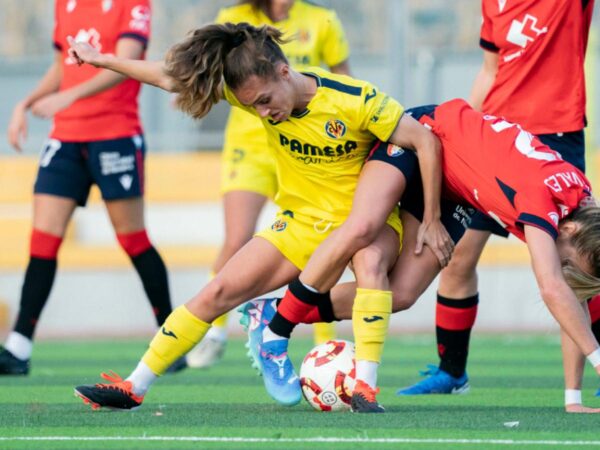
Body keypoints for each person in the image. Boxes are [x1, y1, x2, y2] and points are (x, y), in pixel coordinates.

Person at [67, 22, 451, 411]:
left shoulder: (355, 99)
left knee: (371, 266)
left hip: (364, 221)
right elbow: (170, 78)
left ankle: (365, 389)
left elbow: (424, 140)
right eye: (253, 106)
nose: (263, 112)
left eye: (266, 100)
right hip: (301, 221)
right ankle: (134, 386)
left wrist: (433, 218)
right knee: (217, 293)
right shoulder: (251, 93)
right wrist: (103, 60)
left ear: (285, 71)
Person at [246, 99, 600, 413]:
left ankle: (271, 310)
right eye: (567, 260)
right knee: (364, 234)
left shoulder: (582, 204)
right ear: (570, 231)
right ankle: (283, 327)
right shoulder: (542, 197)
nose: (563, 266)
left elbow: (571, 295)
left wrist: (573, 398)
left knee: (399, 295)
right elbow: (552, 288)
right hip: (423, 139)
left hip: (456, 189)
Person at [397, 0, 596, 396]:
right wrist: (463, 132)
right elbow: (490, 71)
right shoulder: (494, 3)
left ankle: (579, 387)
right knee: (457, 256)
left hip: (554, 142)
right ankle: (452, 371)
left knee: (579, 264)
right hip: (497, 141)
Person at [1, 0, 185, 375]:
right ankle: (18, 347)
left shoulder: (134, 5)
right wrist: (26, 102)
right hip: (66, 137)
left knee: (133, 240)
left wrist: (70, 95)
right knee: (43, 240)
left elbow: (125, 62)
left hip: (115, 134)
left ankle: (172, 338)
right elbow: (60, 67)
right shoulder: (65, 5)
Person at [187, 0, 352, 369]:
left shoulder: (323, 21)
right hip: (250, 147)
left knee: (323, 242)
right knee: (236, 239)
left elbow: (343, 78)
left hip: (304, 147)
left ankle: (325, 341)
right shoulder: (234, 18)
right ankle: (215, 331)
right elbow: (209, 76)